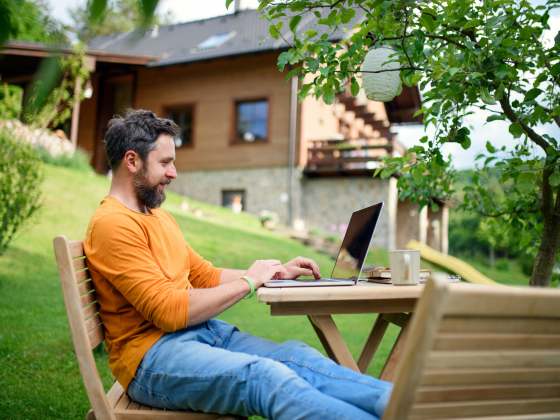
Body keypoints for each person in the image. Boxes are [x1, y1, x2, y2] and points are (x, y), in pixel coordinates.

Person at [84, 109, 393, 420]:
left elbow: (203, 274)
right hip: (151, 360)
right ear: (132, 161)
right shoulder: (113, 225)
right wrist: (249, 282)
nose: (174, 172)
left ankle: (405, 407)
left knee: (299, 359)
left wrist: (272, 272)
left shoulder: (158, 216)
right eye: (165, 163)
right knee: (265, 379)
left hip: (203, 335)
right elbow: (168, 311)